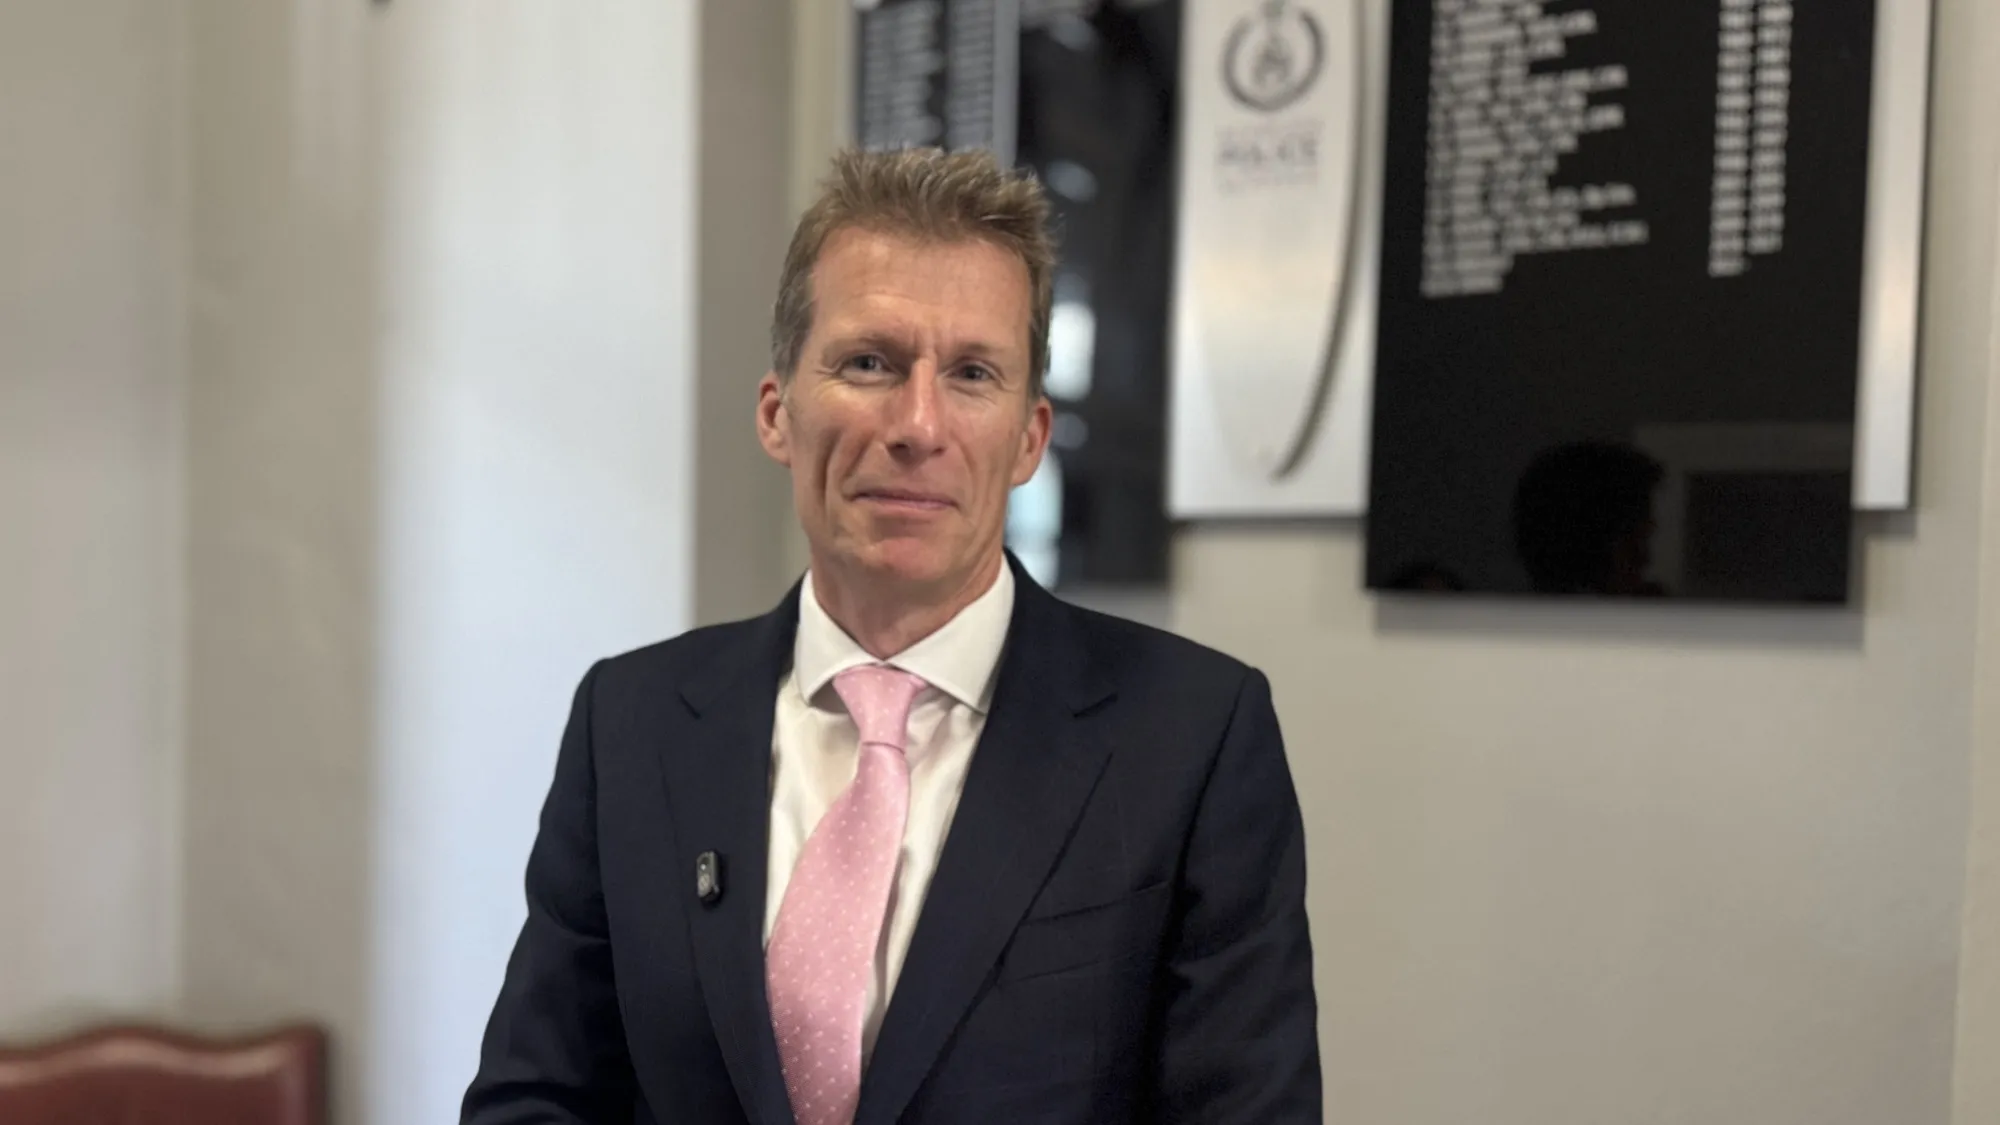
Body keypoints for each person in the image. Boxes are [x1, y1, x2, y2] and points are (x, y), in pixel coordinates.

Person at [461, 147, 1321, 1124]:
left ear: (1029, 438)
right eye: (869, 362)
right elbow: (537, 1097)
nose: (917, 424)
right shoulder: (630, 721)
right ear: (777, 413)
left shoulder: (1192, 738)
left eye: (971, 373)